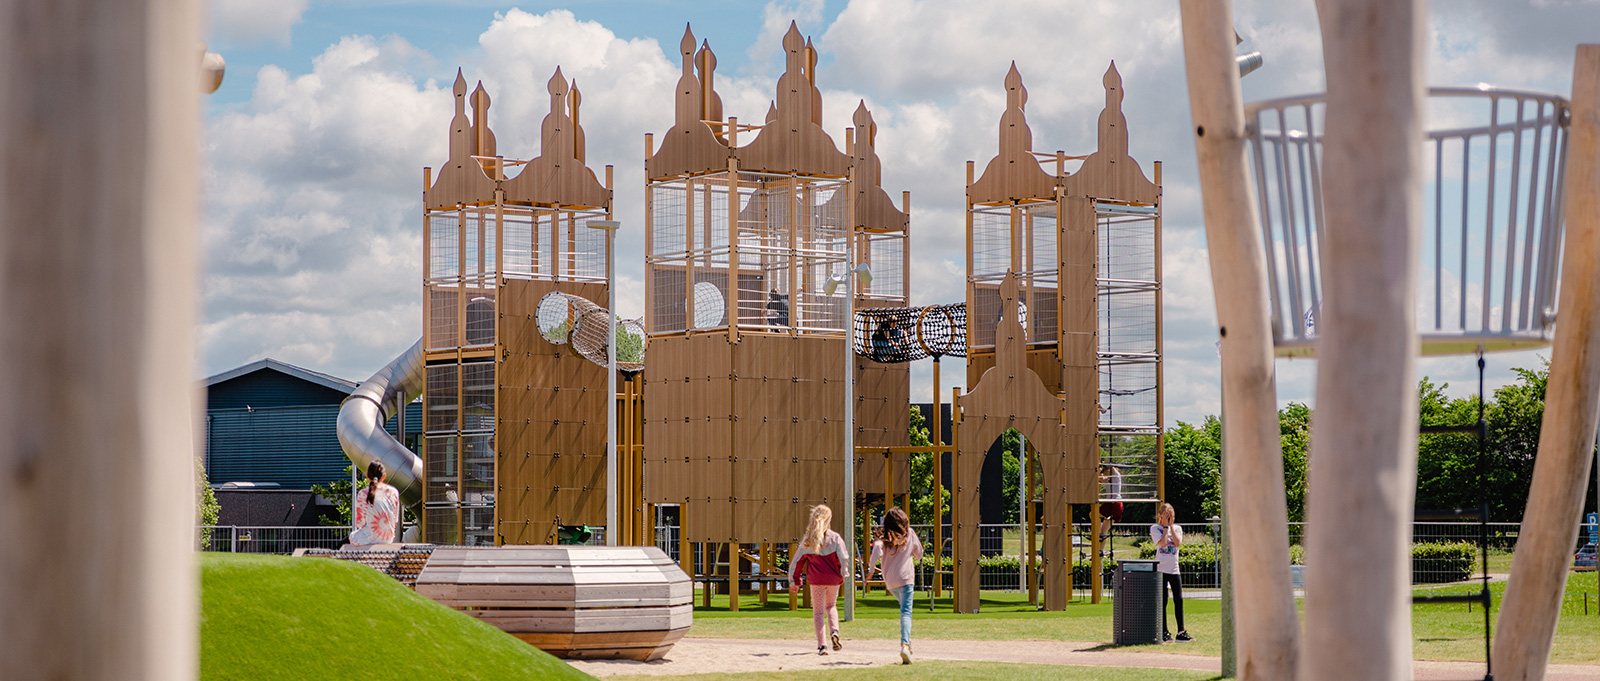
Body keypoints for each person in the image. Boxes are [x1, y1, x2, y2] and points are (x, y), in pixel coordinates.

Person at [788, 504, 849, 655]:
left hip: (816, 580)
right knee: (831, 606)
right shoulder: (835, 538)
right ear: (829, 520)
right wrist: (843, 573)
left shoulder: (808, 540)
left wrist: (794, 582)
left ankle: (822, 646)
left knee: (818, 613)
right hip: (833, 580)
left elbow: (796, 562)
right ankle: (835, 631)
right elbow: (844, 557)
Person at [870, 507, 923, 664]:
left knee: (903, 609)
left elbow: (877, 550)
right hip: (906, 579)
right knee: (906, 612)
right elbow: (919, 554)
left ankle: (908, 642)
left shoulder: (884, 538)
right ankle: (905, 645)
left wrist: (871, 571)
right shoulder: (910, 534)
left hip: (891, 582)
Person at [1151, 502, 1192, 642]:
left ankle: (1181, 631)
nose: (1169, 518)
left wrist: (1171, 527)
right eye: (1166, 516)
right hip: (1161, 570)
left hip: (1174, 570)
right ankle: (1163, 631)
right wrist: (1165, 528)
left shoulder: (1178, 528)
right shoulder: (1155, 528)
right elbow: (1162, 543)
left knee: (1178, 600)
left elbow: (1178, 543)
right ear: (1160, 516)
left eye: (1171, 516)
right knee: (1163, 601)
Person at [349, 460, 400, 546]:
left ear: (367, 476)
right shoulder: (393, 492)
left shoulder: (363, 493)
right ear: (384, 476)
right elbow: (395, 520)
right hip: (388, 538)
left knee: (351, 536)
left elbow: (360, 523)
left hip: (368, 538)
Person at [1099, 464, 1124, 540]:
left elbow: (1112, 468)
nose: (1105, 474)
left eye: (1106, 472)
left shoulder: (1116, 474)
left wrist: (1104, 464)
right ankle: (1100, 550)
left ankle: (1099, 535)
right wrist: (1099, 470)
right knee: (1103, 533)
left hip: (1115, 502)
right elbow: (1101, 478)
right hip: (1109, 502)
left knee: (1103, 531)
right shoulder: (1107, 478)